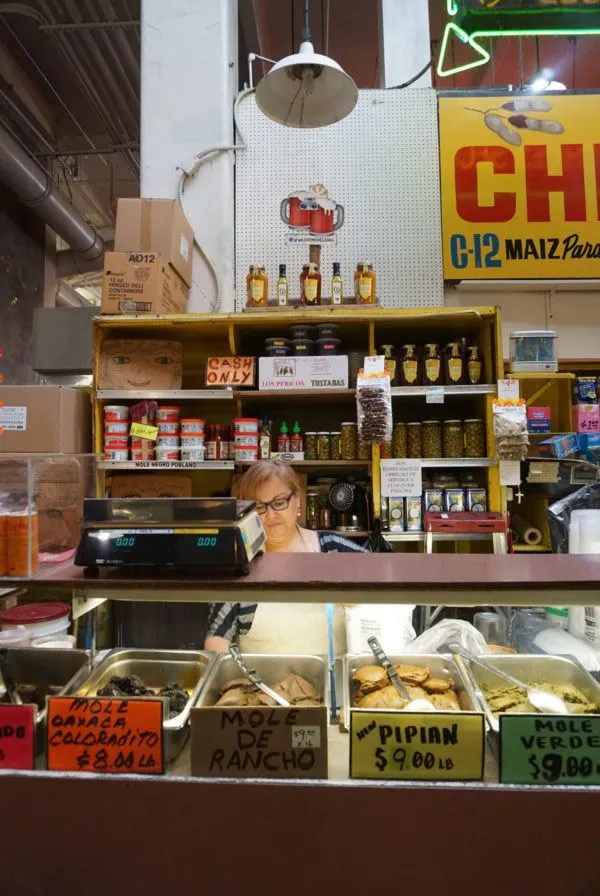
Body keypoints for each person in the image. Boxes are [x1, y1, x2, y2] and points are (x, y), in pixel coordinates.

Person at [204, 459, 369, 654]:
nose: (270, 515)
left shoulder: (333, 549)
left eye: (279, 502)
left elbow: (384, 602)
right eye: (259, 507)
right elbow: (218, 637)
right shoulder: (240, 563)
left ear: (297, 499)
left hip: (331, 681)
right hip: (260, 682)